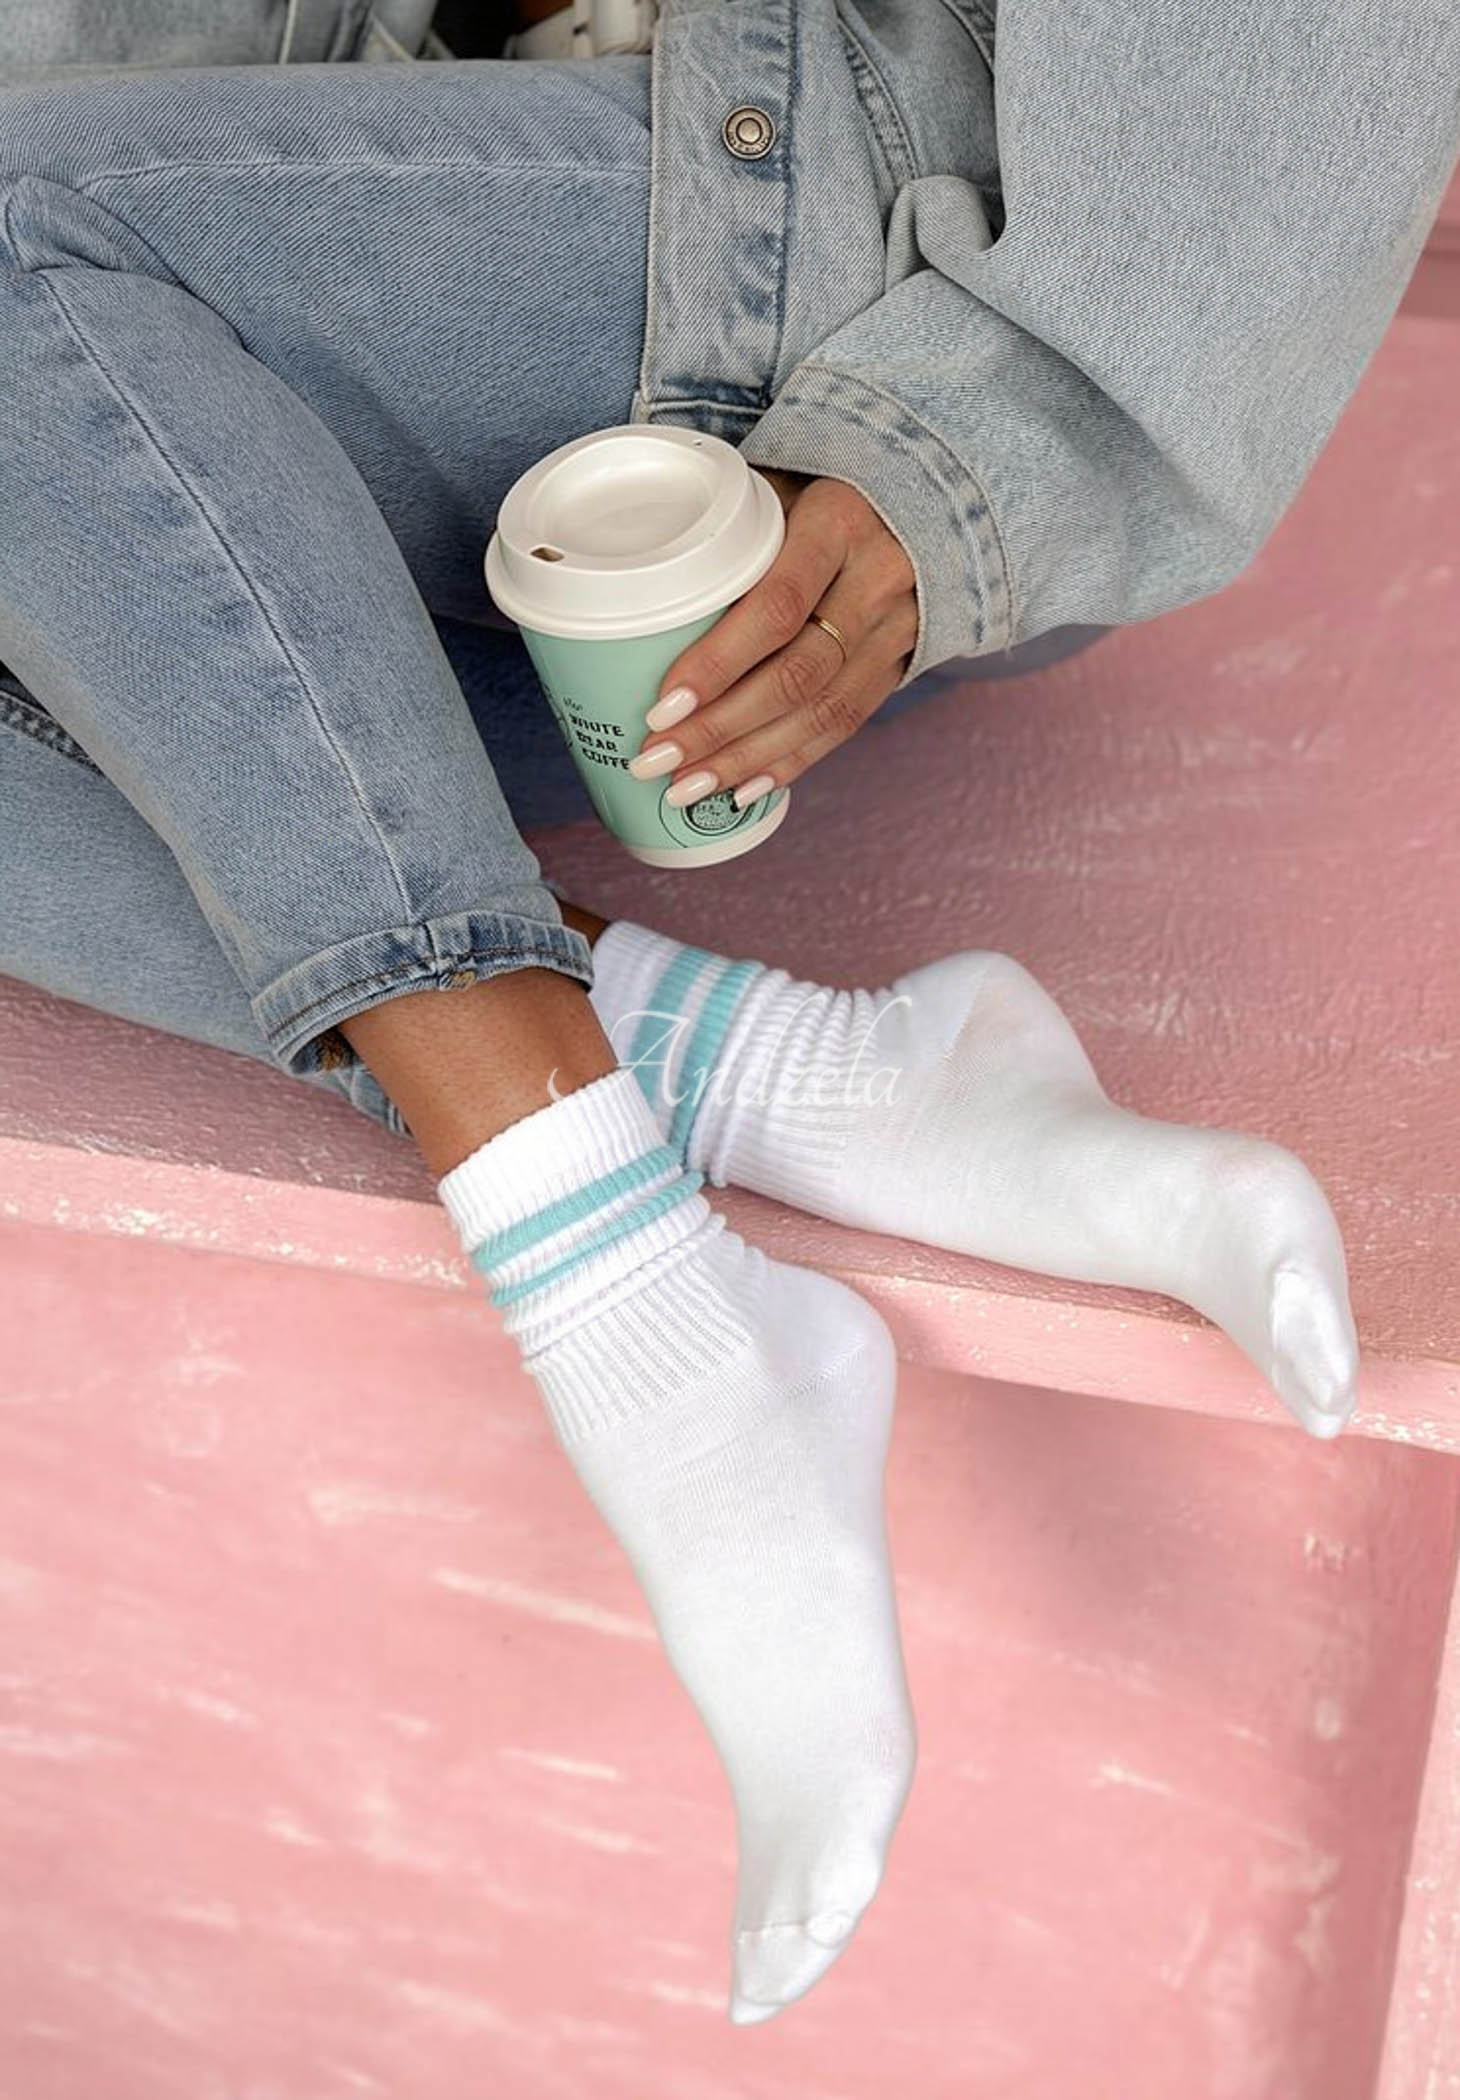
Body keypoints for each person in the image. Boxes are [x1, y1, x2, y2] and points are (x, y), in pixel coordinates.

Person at [1, 0, 1454, 2027]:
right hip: (275, 317)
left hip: (837, 312)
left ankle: (639, 1313)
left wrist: (990, 436)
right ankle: (794, 1080)